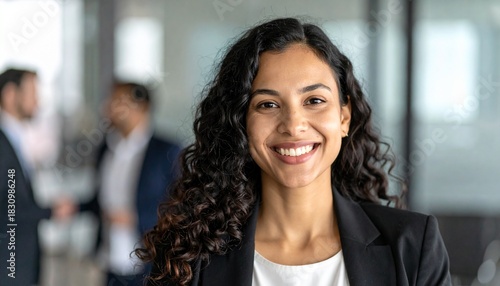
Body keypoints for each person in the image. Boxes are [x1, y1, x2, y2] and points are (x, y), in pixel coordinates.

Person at [136, 18, 452, 286]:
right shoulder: (190, 256)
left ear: (343, 117)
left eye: (314, 101)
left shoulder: (412, 245)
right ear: (241, 124)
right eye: (268, 104)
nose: (293, 125)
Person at [79, 81, 181, 285]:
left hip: (149, 261)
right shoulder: (106, 148)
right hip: (110, 259)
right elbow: (99, 199)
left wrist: (135, 218)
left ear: (141, 107)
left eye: (119, 101)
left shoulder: (167, 151)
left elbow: (181, 204)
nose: (109, 107)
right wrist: (74, 206)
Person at [0, 68, 74, 286]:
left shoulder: (15, 139)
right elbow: (6, 207)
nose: (38, 103)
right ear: (11, 95)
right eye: (33, 94)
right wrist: (50, 211)